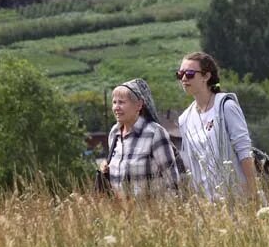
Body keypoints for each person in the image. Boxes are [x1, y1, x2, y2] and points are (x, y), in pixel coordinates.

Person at [176, 51, 258, 201]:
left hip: (238, 196)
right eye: (180, 74)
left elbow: (244, 152)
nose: (183, 78)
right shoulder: (185, 119)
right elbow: (190, 164)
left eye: (189, 74)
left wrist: (254, 192)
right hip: (208, 201)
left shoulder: (226, 106)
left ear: (206, 76)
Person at [101, 78, 179, 197]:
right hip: (121, 213)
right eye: (114, 102)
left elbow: (172, 182)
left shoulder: (155, 133)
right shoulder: (114, 133)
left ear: (139, 105)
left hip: (151, 212)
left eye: (121, 102)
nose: (116, 107)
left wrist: (167, 212)